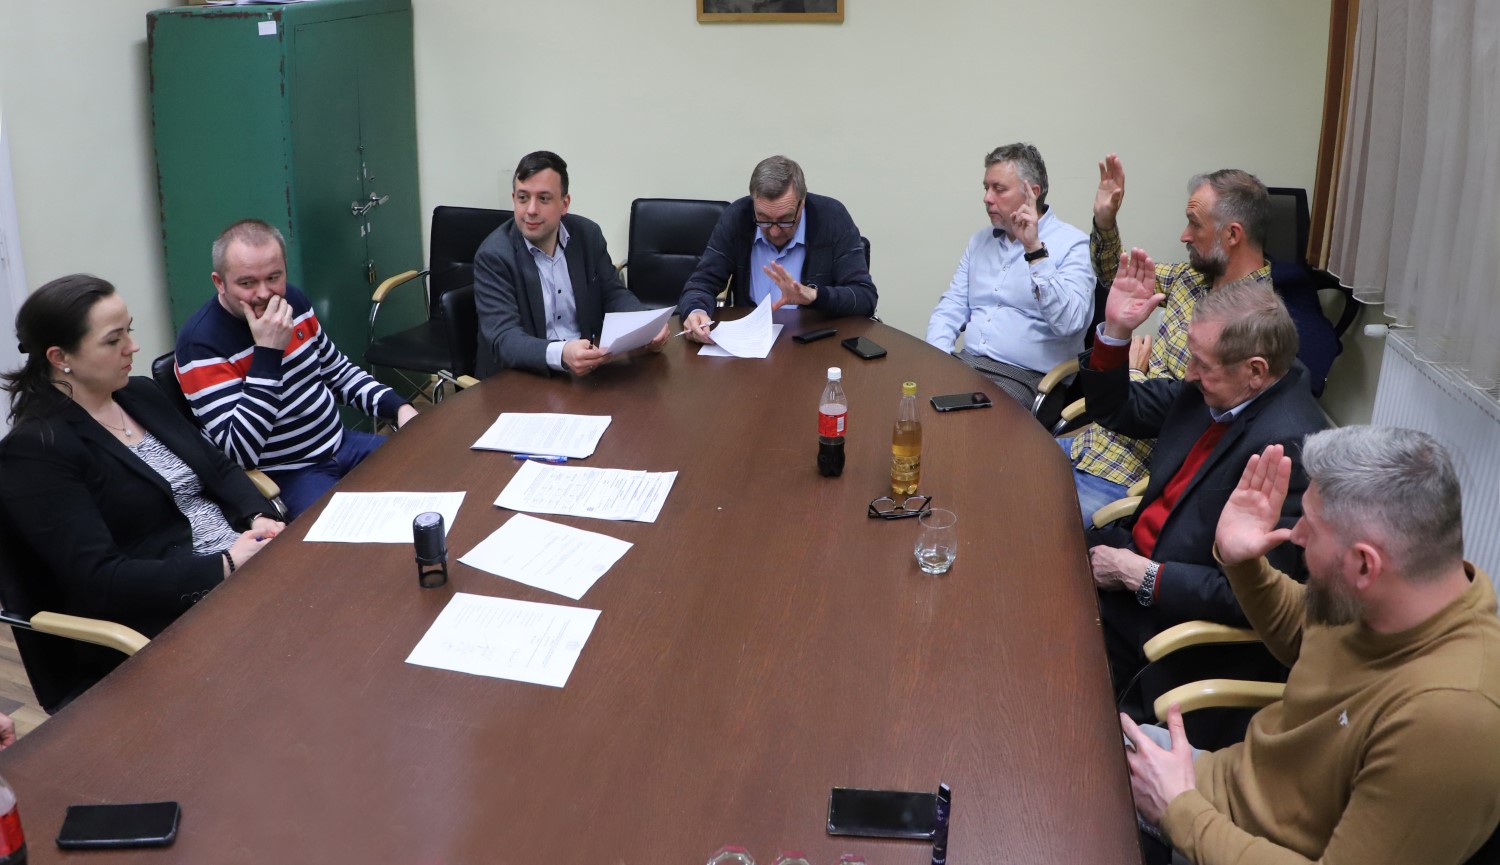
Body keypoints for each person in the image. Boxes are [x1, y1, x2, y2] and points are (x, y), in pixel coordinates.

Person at [1122, 431, 1500, 865]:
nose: (1294, 535)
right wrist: (1242, 562)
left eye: (1311, 528)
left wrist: (1179, 813)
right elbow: (1305, 632)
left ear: (1364, 564)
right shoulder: (1393, 594)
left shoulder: (1451, 718)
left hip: (1215, 833)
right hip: (1215, 794)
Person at [0, 276, 283, 707]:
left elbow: (218, 467)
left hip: (245, 556)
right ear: (60, 357)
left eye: (128, 331)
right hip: (172, 609)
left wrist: (258, 515)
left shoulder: (140, 394)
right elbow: (99, 580)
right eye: (113, 340)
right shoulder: (38, 451)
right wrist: (224, 564)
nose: (133, 347)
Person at [1081, 255, 1327, 717]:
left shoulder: (1289, 450)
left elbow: (1253, 596)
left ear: (1255, 370)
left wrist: (1141, 576)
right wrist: (1116, 332)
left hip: (1166, 626)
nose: (1189, 374)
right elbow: (1115, 409)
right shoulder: (1220, 388)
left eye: (1201, 363)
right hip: (1128, 560)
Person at [1064, 157, 1275, 522]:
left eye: (1195, 223)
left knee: (1027, 522)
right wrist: (1105, 221)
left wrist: (1133, 373)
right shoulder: (1190, 278)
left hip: (1128, 478)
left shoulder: (1257, 325)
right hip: (1091, 443)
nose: (1184, 235)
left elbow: (1191, 414)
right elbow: (1116, 275)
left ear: (1232, 235)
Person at [175, 219, 419, 519]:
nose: (264, 293)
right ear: (219, 282)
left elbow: (337, 373)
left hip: (340, 443)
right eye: (247, 283)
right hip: (289, 474)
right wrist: (268, 353)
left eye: (273, 277)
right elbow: (240, 451)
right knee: (354, 528)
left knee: (428, 474)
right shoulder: (200, 344)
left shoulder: (292, 301)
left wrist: (398, 407)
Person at [473, 151, 668, 378]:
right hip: (521, 377)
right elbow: (504, 339)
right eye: (523, 198)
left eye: (543, 198)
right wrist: (561, 353)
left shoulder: (587, 236)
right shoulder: (494, 255)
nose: (531, 210)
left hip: (584, 371)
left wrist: (645, 324)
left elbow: (612, 293)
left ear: (564, 204)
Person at [926, 143, 1094, 405]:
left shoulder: (1073, 244)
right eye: (986, 187)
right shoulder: (979, 241)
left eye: (999, 189)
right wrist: (936, 361)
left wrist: (1034, 251)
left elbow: (1070, 324)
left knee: (966, 422)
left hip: (1027, 378)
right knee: (909, 401)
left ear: (1032, 193)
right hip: (968, 363)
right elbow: (952, 306)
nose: (987, 198)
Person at [678, 155, 877, 342]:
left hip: (813, 342)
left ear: (802, 202)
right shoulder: (737, 217)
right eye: (763, 219)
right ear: (754, 201)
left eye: (785, 220)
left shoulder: (832, 218)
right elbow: (701, 283)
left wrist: (814, 295)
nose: (774, 232)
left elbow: (865, 297)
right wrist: (696, 311)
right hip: (749, 343)